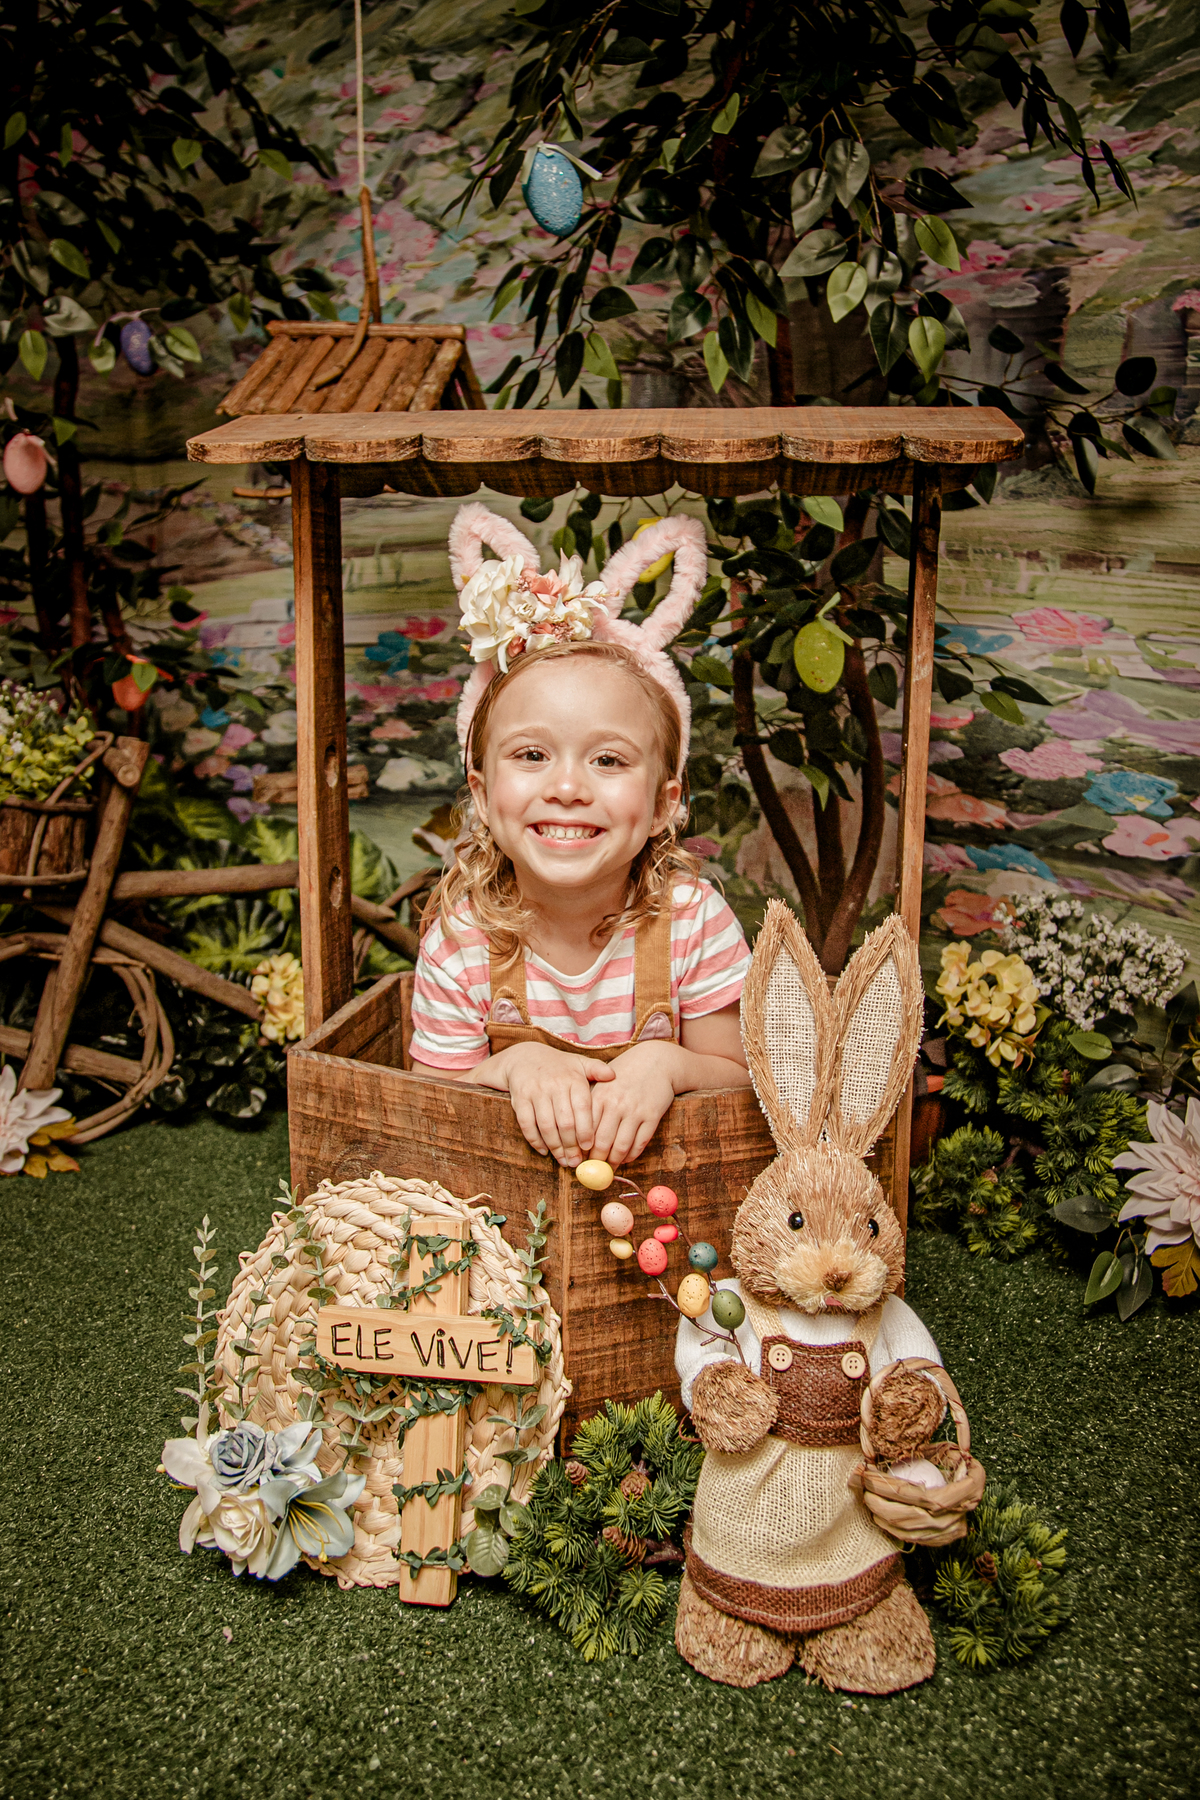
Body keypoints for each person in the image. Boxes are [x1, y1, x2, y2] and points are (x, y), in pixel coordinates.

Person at [409, 501, 753, 1169]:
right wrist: (515, 1066)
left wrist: (668, 1064)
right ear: (481, 794)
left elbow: (741, 1081)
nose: (567, 786)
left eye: (608, 760)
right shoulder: (462, 937)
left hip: (665, 1209)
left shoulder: (692, 922)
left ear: (662, 804)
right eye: (532, 755)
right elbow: (432, 1102)